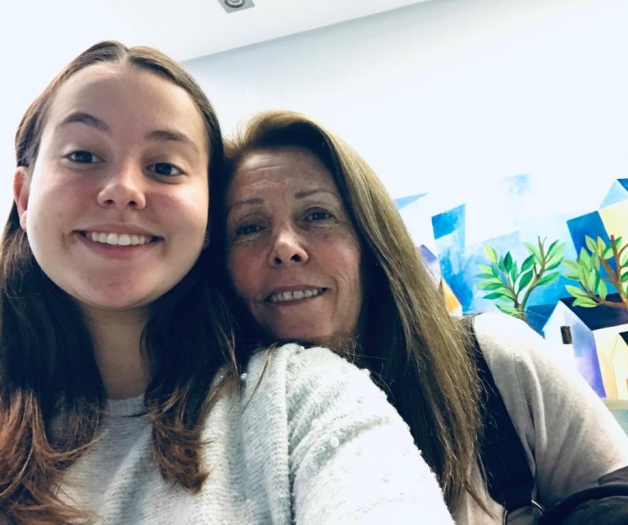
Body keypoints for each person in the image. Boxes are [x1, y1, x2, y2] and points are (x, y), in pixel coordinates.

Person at [0, 42, 456, 525]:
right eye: (83, 155)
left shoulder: (296, 399)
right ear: (24, 197)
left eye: (164, 167)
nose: (123, 190)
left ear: (207, 223)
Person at [222, 110, 628, 524]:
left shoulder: (497, 360)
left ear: (371, 241)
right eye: (249, 226)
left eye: (318, 215)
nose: (285, 246)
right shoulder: (213, 429)